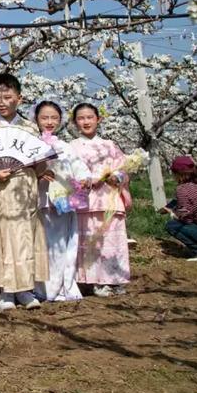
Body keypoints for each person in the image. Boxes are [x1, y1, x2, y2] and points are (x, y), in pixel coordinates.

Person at [0, 72, 48, 311]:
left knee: (24, 238)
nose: (2, 103)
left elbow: (40, 166)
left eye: (7, 97)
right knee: (1, 239)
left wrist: (42, 161)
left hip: (24, 189)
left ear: (19, 98)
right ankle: (6, 292)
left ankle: (25, 290)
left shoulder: (30, 128)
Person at [69, 103, 133, 296]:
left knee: (113, 240)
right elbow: (67, 174)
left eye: (90, 117)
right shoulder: (71, 147)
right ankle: (94, 281)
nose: (86, 121)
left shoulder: (110, 145)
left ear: (98, 119)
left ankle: (115, 279)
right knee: (91, 241)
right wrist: (85, 181)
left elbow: (124, 169)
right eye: (81, 118)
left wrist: (117, 177)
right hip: (86, 200)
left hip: (109, 198)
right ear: (75, 122)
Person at [32, 101, 83, 302]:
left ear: (60, 120)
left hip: (62, 202)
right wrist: (39, 173)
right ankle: (41, 288)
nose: (49, 122)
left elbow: (78, 168)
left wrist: (83, 179)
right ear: (36, 119)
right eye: (44, 117)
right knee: (42, 246)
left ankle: (60, 287)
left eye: (54, 117)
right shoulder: (31, 144)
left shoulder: (65, 146)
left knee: (61, 246)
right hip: (40, 200)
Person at [162, 156, 197, 261]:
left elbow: (186, 218)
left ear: (177, 174)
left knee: (172, 225)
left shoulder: (182, 189)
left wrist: (173, 213)